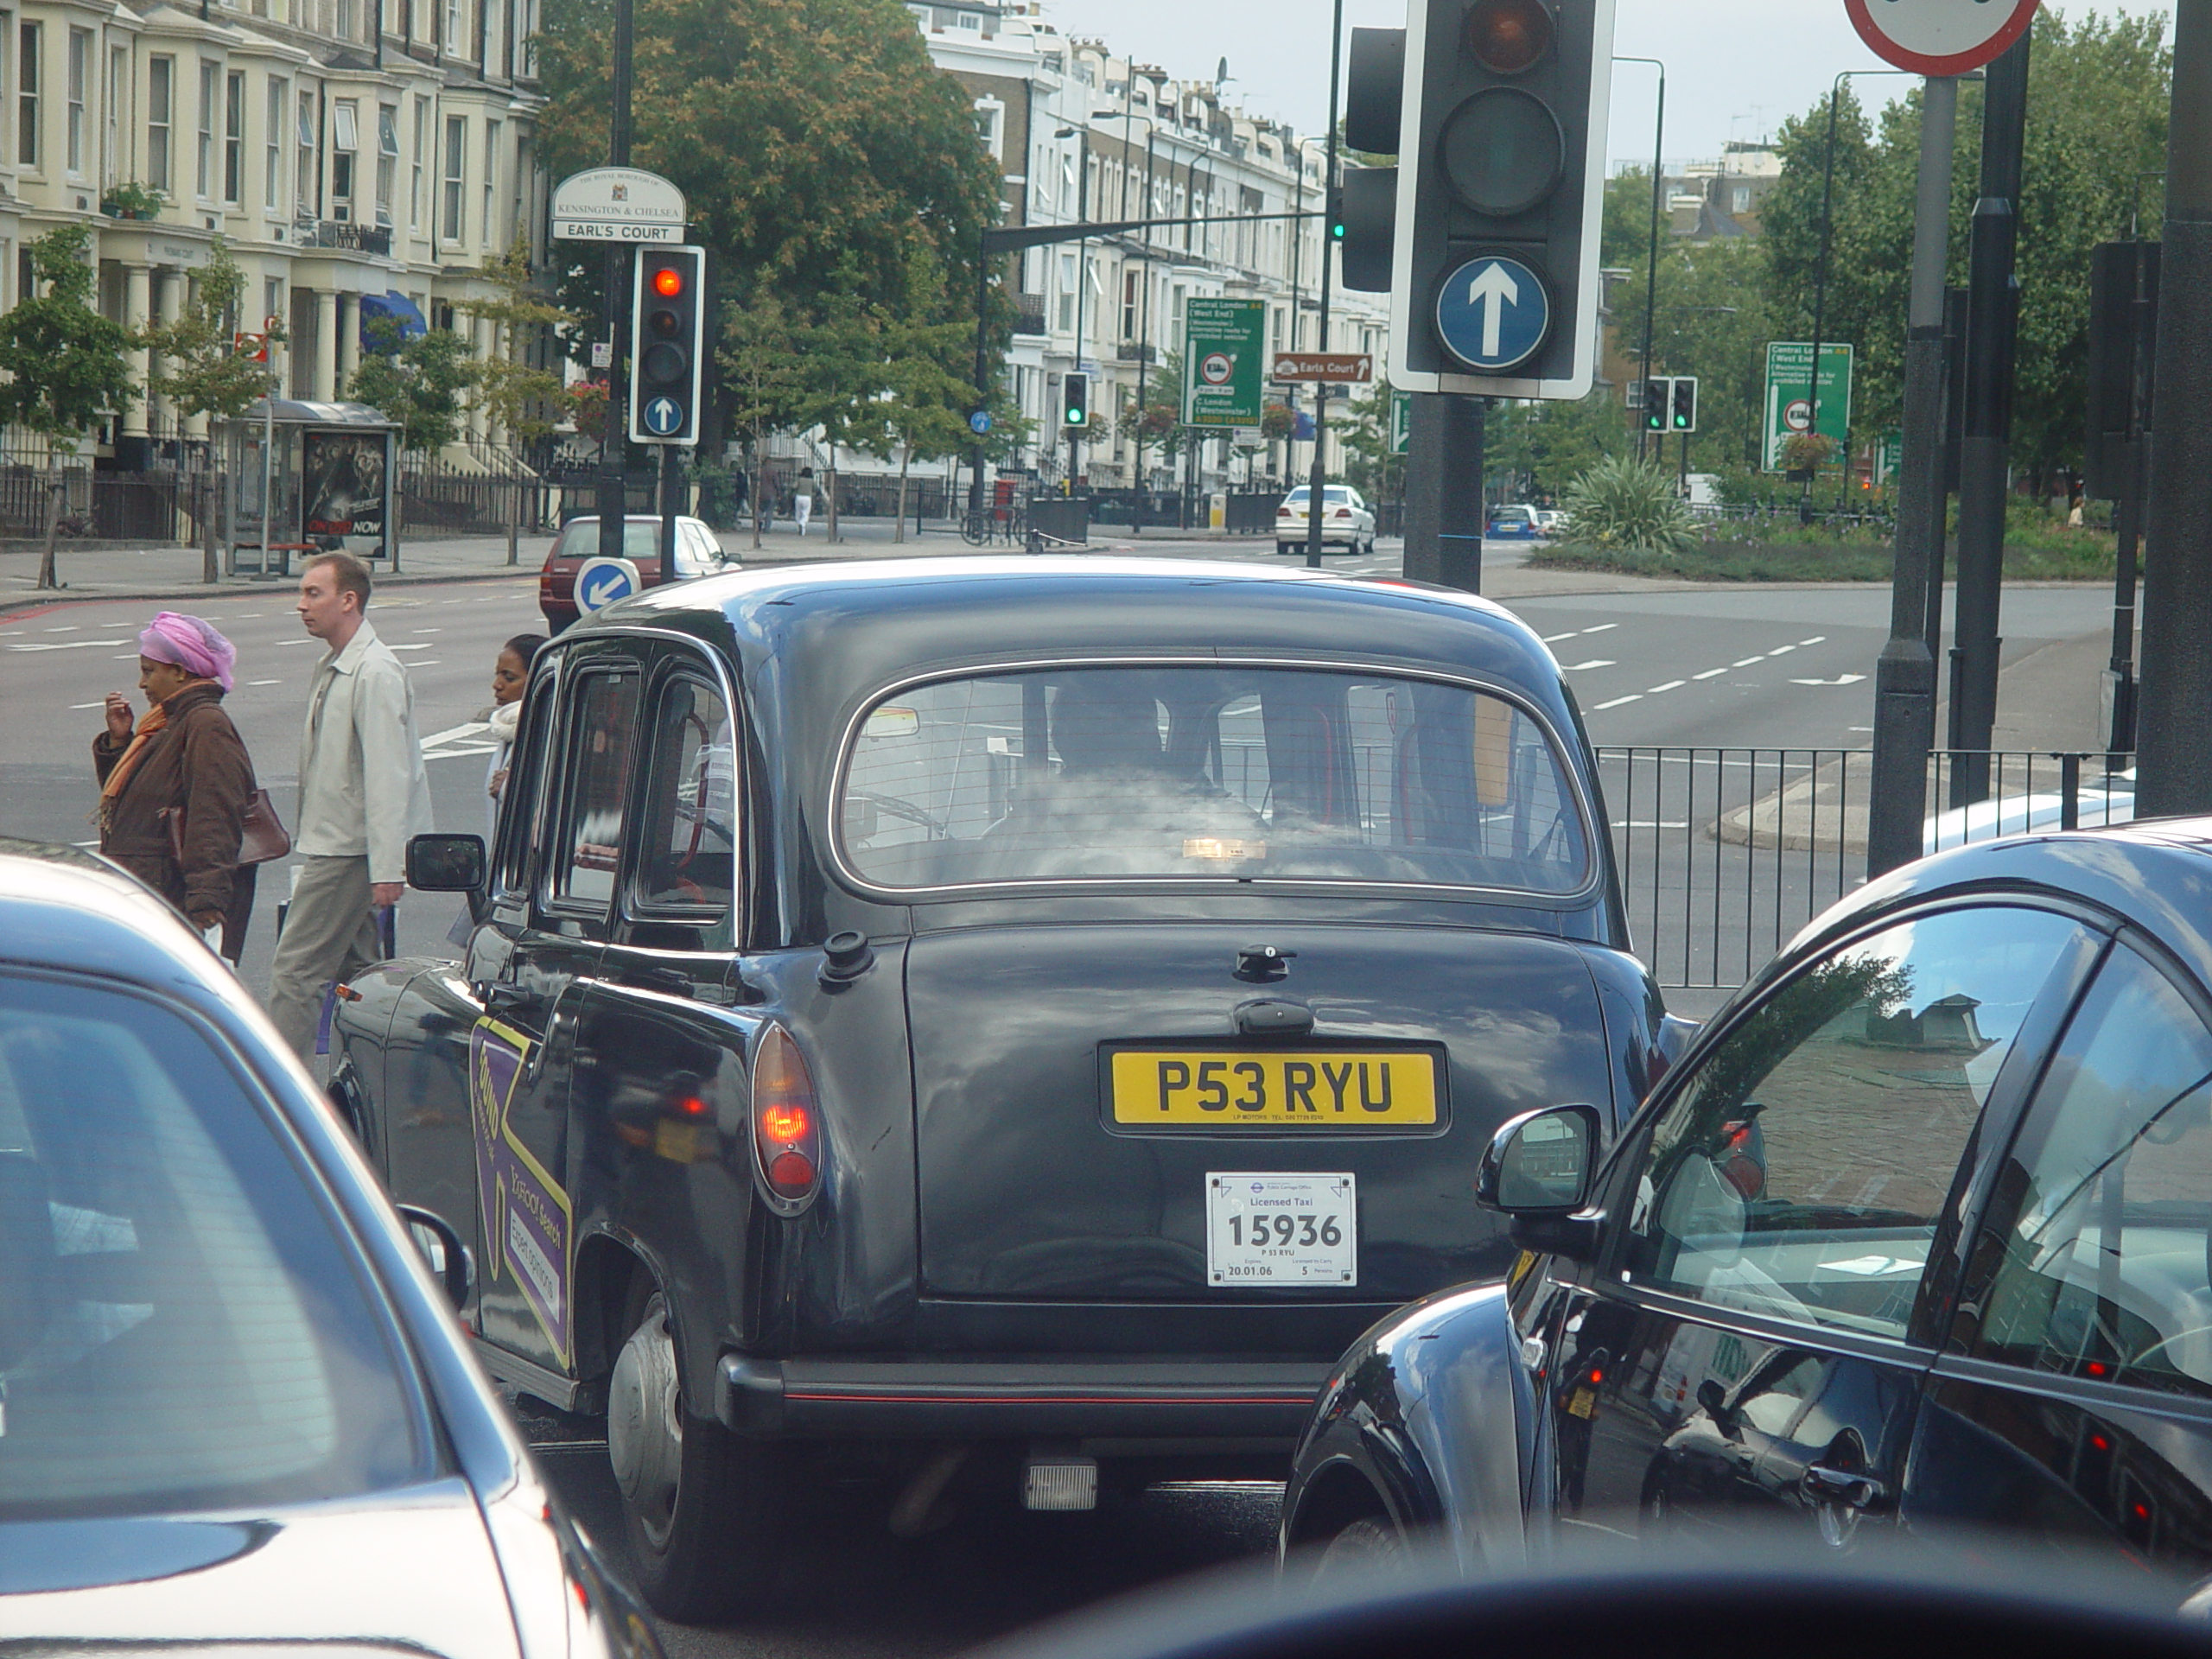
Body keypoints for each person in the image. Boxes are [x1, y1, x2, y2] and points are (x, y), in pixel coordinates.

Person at [266, 551, 434, 1061]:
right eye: (301, 593)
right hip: (345, 844)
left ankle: (278, 1097)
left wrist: (388, 866)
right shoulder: (341, 665)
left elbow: (389, 776)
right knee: (360, 980)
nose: (301, 605)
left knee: (294, 973)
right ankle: (363, 1082)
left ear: (349, 600)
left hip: (349, 850)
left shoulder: (374, 672)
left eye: (313, 594)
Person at [92, 613, 259, 961]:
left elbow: (215, 814)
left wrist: (207, 902)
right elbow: (136, 801)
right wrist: (121, 743)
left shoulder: (205, 724)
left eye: (150, 671)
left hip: (173, 899)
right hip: (150, 895)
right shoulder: (169, 723)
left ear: (180, 672)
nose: (142, 684)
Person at [485, 632, 546, 840]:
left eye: (509, 677)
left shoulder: (550, 730)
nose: (497, 685)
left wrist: (516, 786)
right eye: (497, 675)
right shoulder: (509, 729)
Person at [793, 467, 815, 538]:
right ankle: (803, 525)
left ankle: (798, 524)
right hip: (807, 497)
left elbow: (794, 486)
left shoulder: (800, 479)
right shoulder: (811, 481)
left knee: (798, 512)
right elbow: (816, 488)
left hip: (799, 496)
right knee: (805, 512)